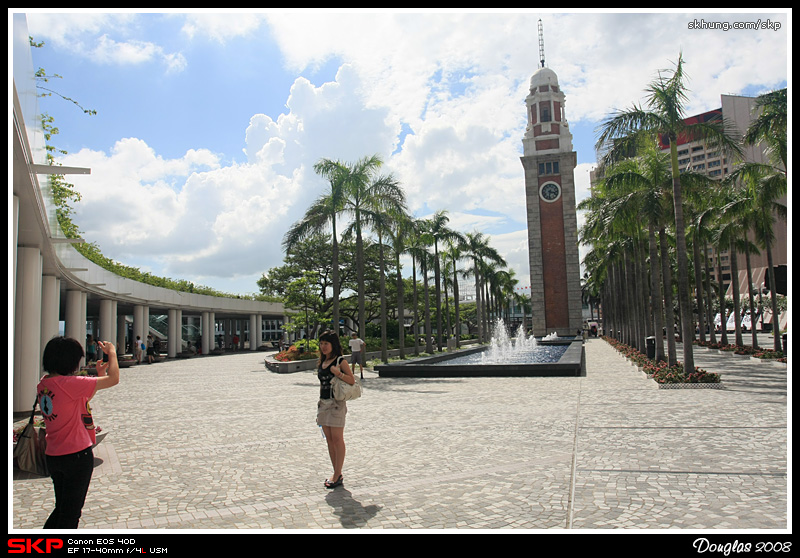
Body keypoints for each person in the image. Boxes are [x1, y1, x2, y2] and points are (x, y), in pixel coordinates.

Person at [37, 336, 120, 529]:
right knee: (70, 514)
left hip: (54, 455)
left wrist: (98, 374)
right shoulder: (69, 383)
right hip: (76, 456)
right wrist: (112, 353)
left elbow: (80, 400)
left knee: (63, 508)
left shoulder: (44, 383)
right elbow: (114, 379)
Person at [315, 331, 355, 489]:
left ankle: (338, 474)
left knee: (338, 438)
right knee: (329, 439)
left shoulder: (340, 361)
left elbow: (351, 380)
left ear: (333, 345)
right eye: (321, 343)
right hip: (323, 404)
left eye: (326, 343)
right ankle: (335, 472)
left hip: (336, 403)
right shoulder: (322, 361)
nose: (323, 347)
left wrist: (338, 373)